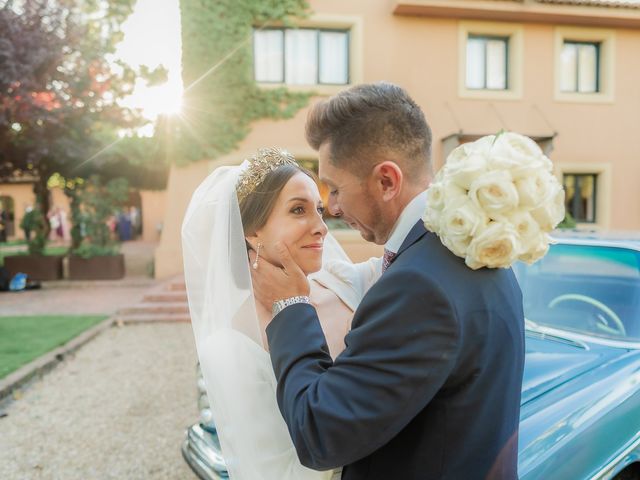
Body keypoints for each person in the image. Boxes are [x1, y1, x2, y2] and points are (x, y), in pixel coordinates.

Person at [250, 83, 525, 480]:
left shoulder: (420, 286)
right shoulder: (474, 247)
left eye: (336, 188)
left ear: (386, 181)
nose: (333, 208)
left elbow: (320, 433)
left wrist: (291, 307)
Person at [182, 147, 381, 480]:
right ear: (252, 231)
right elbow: (268, 469)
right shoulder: (231, 344)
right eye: (298, 210)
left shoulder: (349, 282)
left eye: (318, 210)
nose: (321, 227)